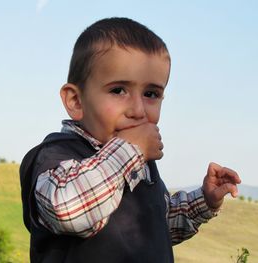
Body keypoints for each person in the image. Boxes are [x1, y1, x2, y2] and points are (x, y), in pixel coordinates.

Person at [20, 17, 241, 263]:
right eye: (118, 90)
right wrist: (131, 150)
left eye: (151, 94)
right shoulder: (57, 158)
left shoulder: (137, 165)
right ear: (76, 101)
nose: (138, 109)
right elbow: (68, 212)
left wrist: (205, 200)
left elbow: (157, 225)